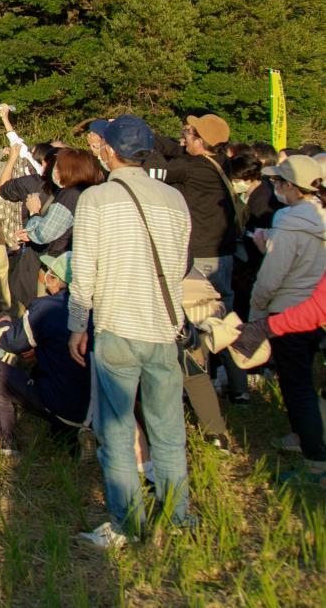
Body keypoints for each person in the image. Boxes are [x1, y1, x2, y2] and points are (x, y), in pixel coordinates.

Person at [67, 115, 197, 548]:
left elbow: (84, 271)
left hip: (117, 324)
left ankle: (127, 524)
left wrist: (76, 325)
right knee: (168, 430)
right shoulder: (175, 199)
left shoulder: (97, 199)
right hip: (163, 325)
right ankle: (178, 516)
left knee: (118, 431)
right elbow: (179, 264)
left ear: (108, 150)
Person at [162, 112, 247, 402]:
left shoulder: (194, 168)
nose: (183, 137)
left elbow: (162, 168)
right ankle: (239, 387)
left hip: (200, 258)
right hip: (223, 255)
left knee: (197, 326)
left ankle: (201, 388)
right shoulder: (220, 163)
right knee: (225, 323)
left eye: (187, 133)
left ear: (200, 141)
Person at [248, 155, 326, 470]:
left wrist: (257, 306)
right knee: (304, 378)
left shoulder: (288, 224)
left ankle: (314, 454)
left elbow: (272, 277)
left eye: (279, 182)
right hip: (315, 312)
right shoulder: (319, 220)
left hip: (288, 312)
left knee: (297, 386)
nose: (276, 188)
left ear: (293, 187)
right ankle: (302, 435)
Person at [0, 252, 90, 456]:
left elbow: (11, 342)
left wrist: (3, 323)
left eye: (48, 272)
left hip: (62, 402)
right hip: (97, 405)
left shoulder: (47, 307)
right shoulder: (99, 308)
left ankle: (1, 440)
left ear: (55, 280)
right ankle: (78, 435)